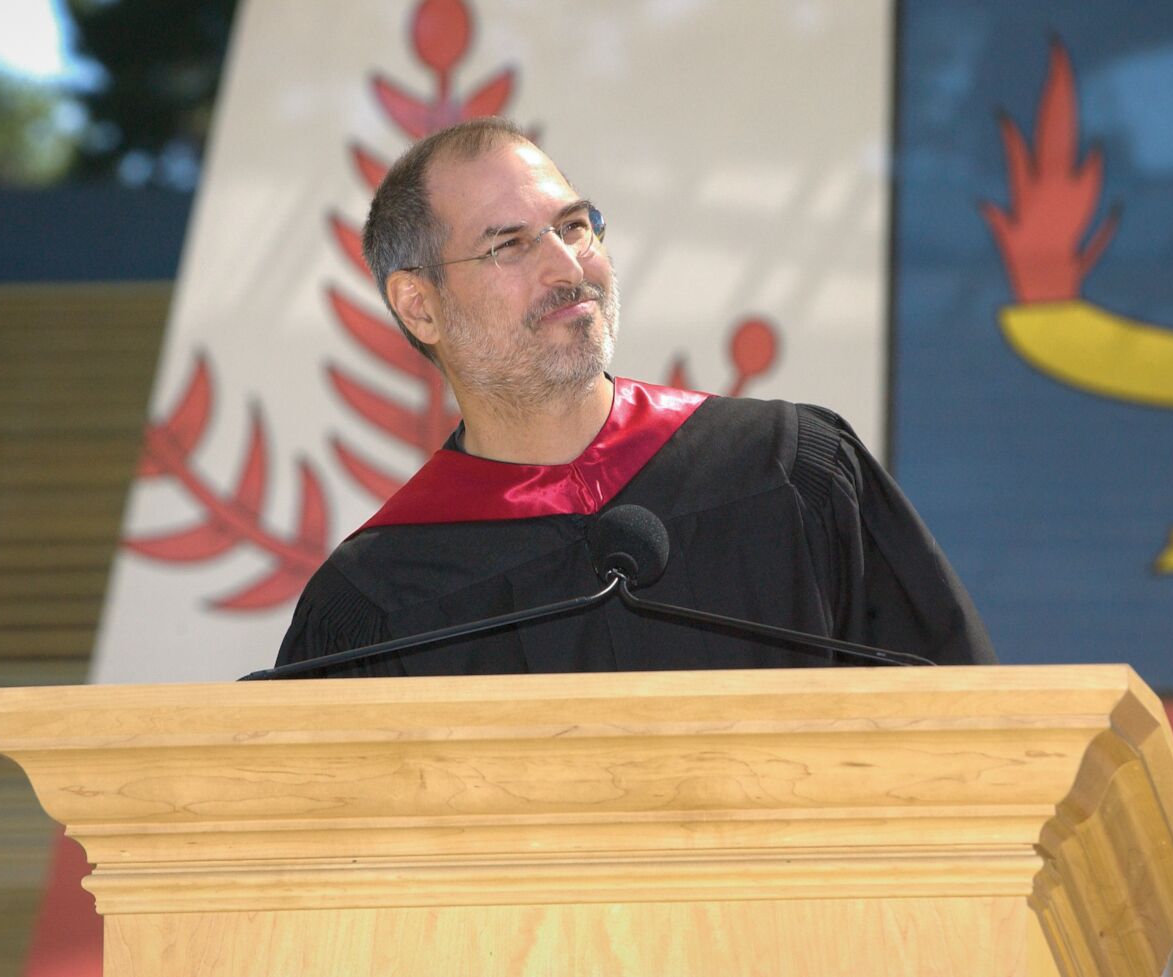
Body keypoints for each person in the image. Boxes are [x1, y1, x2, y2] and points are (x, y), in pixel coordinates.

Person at [275, 118, 994, 676]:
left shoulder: (786, 469)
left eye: (575, 226)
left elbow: (965, 726)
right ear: (420, 307)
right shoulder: (373, 601)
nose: (567, 266)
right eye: (510, 245)